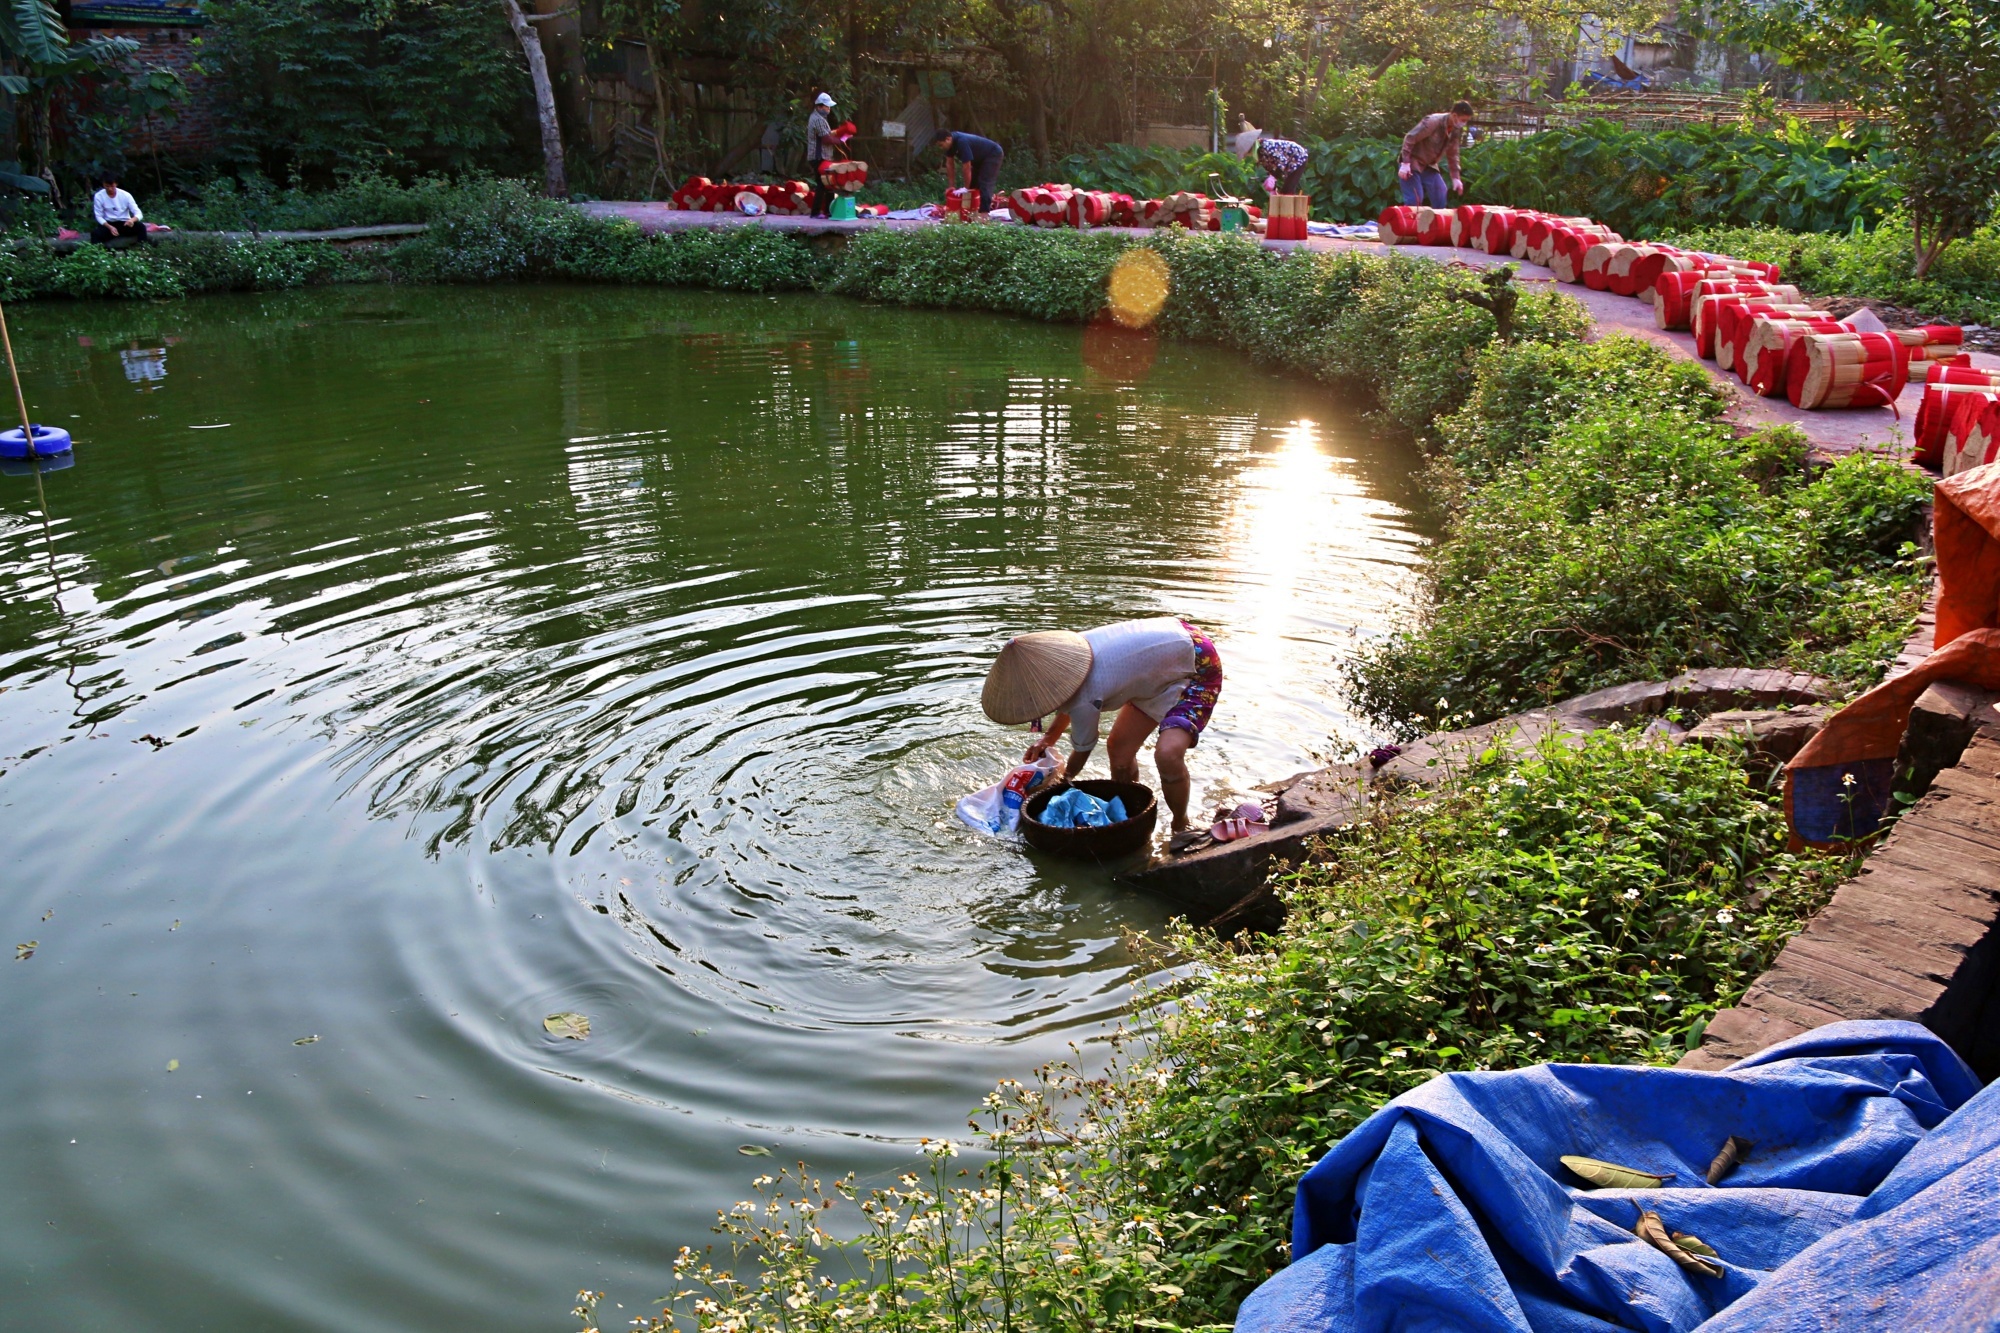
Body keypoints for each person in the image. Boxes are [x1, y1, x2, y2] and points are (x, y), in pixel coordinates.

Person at [981, 617, 1223, 843]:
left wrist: (1061, 782)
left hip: (1197, 664)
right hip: (1158, 667)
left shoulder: (1086, 691)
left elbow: (1083, 747)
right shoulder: (1068, 658)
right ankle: (1130, 815)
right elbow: (1069, 696)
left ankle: (1181, 825)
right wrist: (1049, 738)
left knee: (1167, 753)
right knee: (1119, 750)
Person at [1398, 100, 1473, 209]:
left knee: (1440, 192)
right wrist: (1405, 163)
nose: (1464, 123)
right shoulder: (1433, 122)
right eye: (1463, 120)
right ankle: (1405, 224)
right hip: (1413, 162)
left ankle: (1437, 224)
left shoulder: (1455, 130)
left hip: (1429, 165)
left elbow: (1453, 154)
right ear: (1455, 115)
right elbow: (1410, 138)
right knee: (1415, 199)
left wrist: (1456, 177)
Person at [934, 128, 1004, 214]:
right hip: (979, 158)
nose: (941, 148)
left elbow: (967, 166)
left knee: (984, 181)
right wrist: (951, 186)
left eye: (941, 145)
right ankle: (970, 211)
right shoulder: (950, 145)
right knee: (973, 185)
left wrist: (966, 188)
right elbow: (949, 164)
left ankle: (984, 213)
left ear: (948, 139)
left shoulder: (961, 142)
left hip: (993, 153)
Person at [805, 92, 842, 217]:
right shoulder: (818, 120)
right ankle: (817, 212)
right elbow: (826, 139)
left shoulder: (817, 118)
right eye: (827, 107)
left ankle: (828, 211)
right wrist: (841, 140)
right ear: (819, 107)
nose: (829, 109)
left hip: (821, 156)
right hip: (819, 156)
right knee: (823, 184)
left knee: (828, 183)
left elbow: (828, 134)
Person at [91, 173, 147, 245]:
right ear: (103, 184)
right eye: (107, 186)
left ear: (116, 184)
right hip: (109, 224)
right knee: (95, 234)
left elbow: (138, 213)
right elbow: (98, 216)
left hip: (125, 223)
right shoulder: (99, 196)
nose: (110, 189)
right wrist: (109, 227)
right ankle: (100, 253)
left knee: (141, 227)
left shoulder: (125, 195)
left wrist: (132, 220)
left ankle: (142, 248)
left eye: (112, 186)